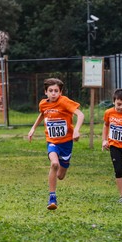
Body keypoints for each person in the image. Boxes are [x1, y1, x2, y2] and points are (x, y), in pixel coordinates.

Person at [28, 78, 84, 210]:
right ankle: (52, 197)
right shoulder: (43, 104)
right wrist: (33, 128)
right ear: (45, 92)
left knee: (60, 175)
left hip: (66, 143)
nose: (53, 93)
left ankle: (63, 164)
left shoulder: (64, 102)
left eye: (56, 91)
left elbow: (80, 115)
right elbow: (42, 114)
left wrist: (76, 130)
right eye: (51, 91)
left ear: (60, 92)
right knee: (54, 164)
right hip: (52, 141)